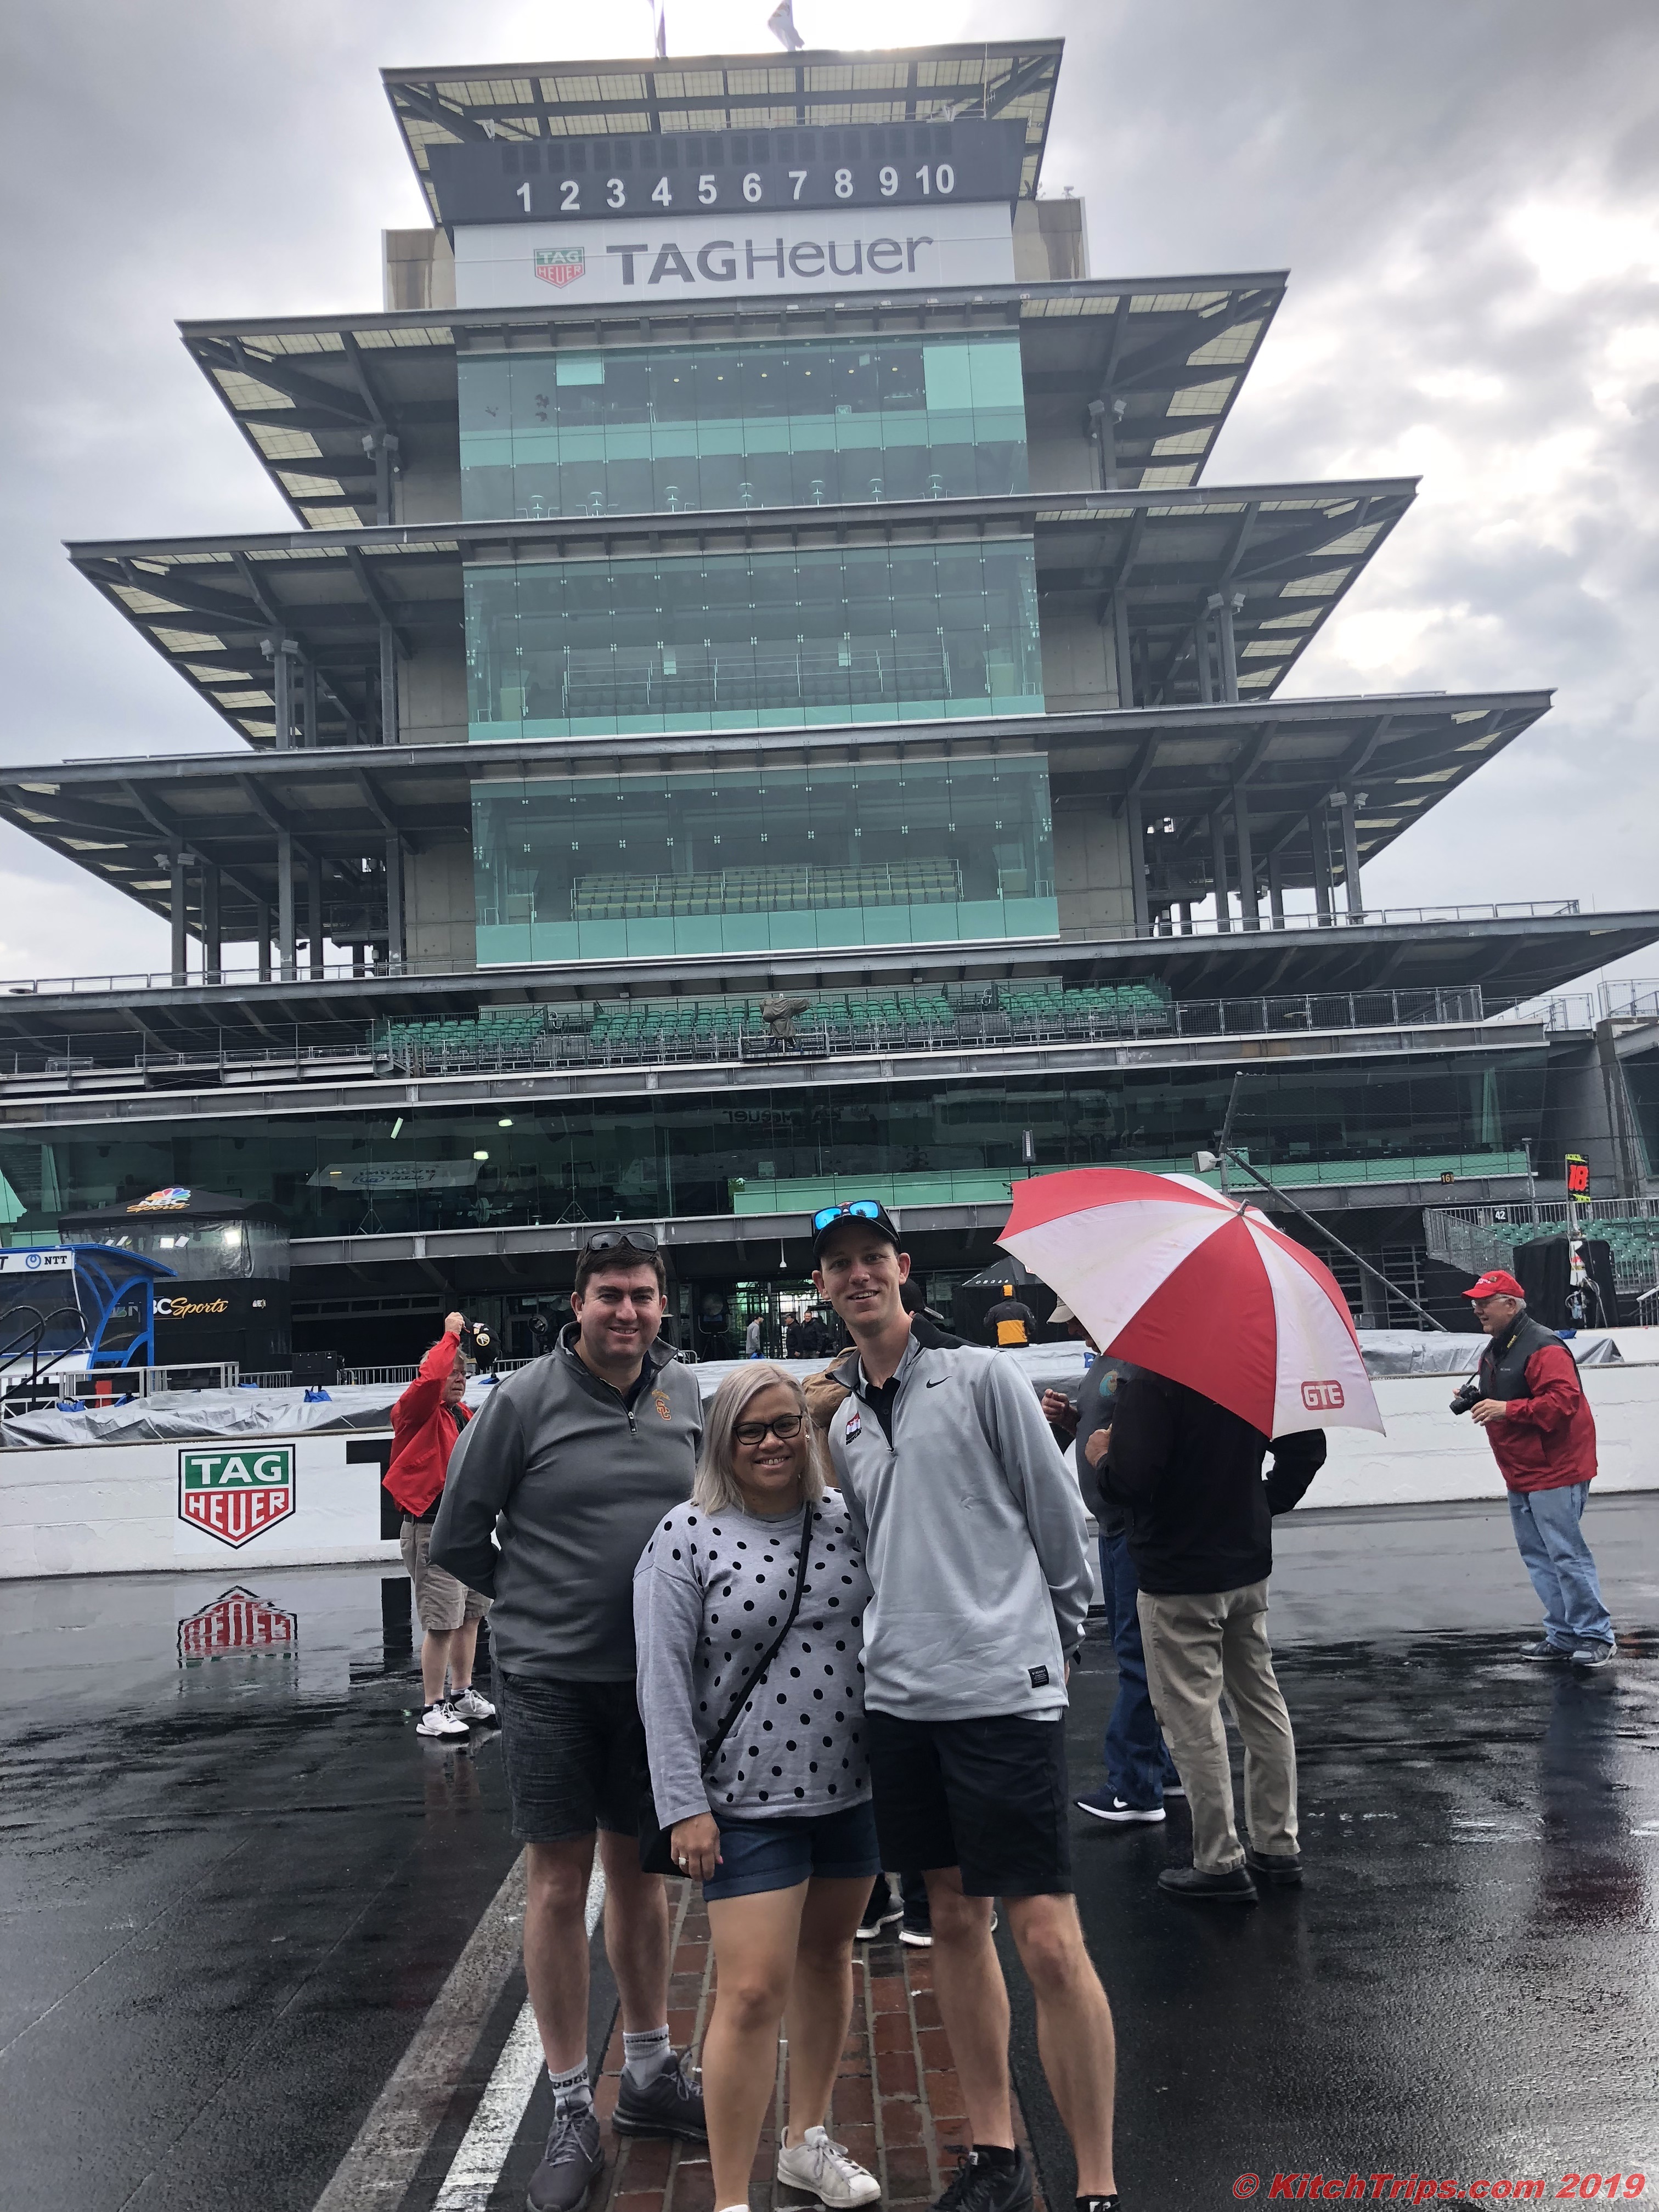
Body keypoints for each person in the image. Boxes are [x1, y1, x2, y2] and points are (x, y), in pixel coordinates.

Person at [813, 1201, 1118, 2212]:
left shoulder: (983, 1378)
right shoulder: (844, 1421)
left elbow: (1057, 1521)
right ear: (822, 1286)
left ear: (902, 1268)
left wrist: (1054, 1640)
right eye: (839, 1265)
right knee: (949, 1919)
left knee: (1047, 1937)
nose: (858, 1276)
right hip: (902, 1701)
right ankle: (994, 2153)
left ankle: (1096, 2183)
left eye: (872, 1258)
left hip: (999, 1695)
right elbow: (871, 1551)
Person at [430, 1231, 708, 2212]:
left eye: (641, 1295)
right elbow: (459, 1535)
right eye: (608, 1295)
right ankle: (566, 2105)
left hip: (654, 1683)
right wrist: (536, 1602)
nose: (626, 1311)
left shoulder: (687, 1395)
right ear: (577, 1303)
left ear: (661, 1305)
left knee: (642, 1878)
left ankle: (649, 2071)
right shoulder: (520, 1401)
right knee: (556, 1883)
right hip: (551, 1679)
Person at [635, 1364, 882, 2212]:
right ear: (722, 1442)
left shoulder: (845, 1518)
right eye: (752, 1430)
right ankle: (732, 2197)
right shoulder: (685, 1536)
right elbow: (661, 1684)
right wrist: (684, 1808)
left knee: (828, 1960)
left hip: (853, 1790)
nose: (774, 1443)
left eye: (787, 1426)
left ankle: (805, 2142)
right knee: (748, 1993)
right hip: (743, 1804)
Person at [1104, 1370, 1325, 1904]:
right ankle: (1278, 1845)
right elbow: (1306, 1449)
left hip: (1178, 1574)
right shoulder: (1258, 1371)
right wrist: (1262, 1504)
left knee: (1191, 1718)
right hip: (1245, 1565)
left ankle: (1220, 1860)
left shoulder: (1153, 1383)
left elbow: (1129, 1482)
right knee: (1261, 1702)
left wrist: (1101, 1457)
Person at [1039, 1302, 1181, 1827]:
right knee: (1143, 1652)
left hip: (1132, 1527)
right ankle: (1162, 1770)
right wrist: (1073, 1421)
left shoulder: (1140, 1362)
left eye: (1077, 1317)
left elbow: (1145, 1437)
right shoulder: (1109, 1361)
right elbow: (1106, 1429)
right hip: (1118, 1523)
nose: (1075, 1328)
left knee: (1137, 1654)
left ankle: (1135, 1786)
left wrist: (1104, 1449)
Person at [1461, 1268, 1615, 1666]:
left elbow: (1564, 1402)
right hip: (1523, 1469)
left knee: (1565, 1554)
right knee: (1539, 1556)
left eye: (1485, 1302)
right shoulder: (1498, 1347)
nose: (1478, 1309)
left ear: (1511, 1305)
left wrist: (1507, 1409)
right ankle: (1564, 1635)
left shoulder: (1542, 1347)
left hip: (1555, 1468)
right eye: (1476, 1303)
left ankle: (1596, 1636)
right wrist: (1480, 1398)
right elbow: (1516, 1395)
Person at [383, 1311, 494, 1741]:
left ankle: (461, 1693)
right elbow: (429, 1381)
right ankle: (432, 1708)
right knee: (442, 1622)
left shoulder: (461, 1414)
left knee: (470, 1616)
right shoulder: (414, 1411)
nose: (459, 1379)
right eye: (453, 1371)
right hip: (432, 1529)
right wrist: (450, 1337)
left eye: (463, 1373)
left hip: (466, 1532)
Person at [984, 1283, 1036, 1348]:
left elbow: (987, 1324)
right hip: (1022, 1343)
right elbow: (1032, 1326)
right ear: (1014, 1294)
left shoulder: (994, 1310)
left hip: (1003, 1343)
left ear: (1002, 1294)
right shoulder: (1024, 1308)